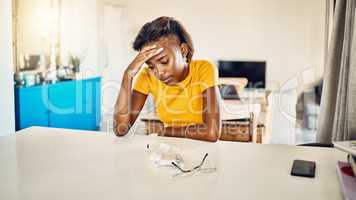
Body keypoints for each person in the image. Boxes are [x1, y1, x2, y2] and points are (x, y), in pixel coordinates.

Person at [113, 16, 221, 142]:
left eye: (164, 61)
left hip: (203, 149)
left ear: (183, 50)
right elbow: (120, 129)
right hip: (170, 148)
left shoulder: (204, 69)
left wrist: (168, 131)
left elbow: (212, 133)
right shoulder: (147, 76)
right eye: (151, 66)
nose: (159, 72)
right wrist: (128, 75)